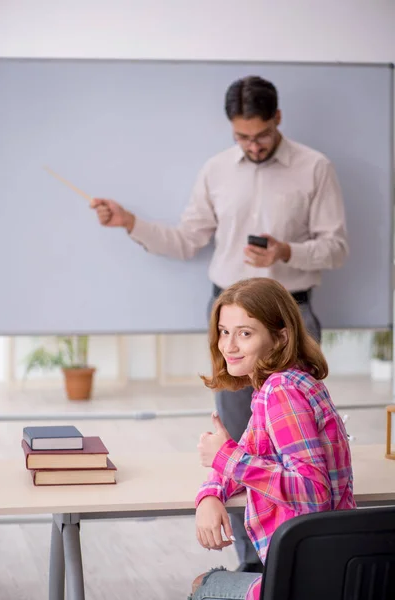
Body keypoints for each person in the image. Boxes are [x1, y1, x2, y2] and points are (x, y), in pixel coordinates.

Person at [91, 76, 348, 571]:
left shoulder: (316, 168)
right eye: (241, 137)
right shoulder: (216, 171)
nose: (252, 146)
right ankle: (259, 566)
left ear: (278, 120)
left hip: (288, 310)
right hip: (230, 304)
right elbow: (188, 240)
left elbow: (337, 247)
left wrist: (285, 251)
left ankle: (294, 566)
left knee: (288, 441)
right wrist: (130, 223)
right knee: (241, 436)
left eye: (261, 136)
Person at [189, 277, 356, 600]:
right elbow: (246, 453)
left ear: (280, 337)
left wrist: (223, 457)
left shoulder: (281, 392)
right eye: (225, 332)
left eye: (245, 333)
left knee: (203, 585)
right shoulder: (290, 382)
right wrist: (210, 494)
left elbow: (313, 491)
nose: (229, 346)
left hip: (308, 575)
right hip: (329, 564)